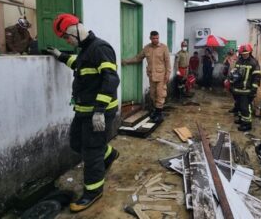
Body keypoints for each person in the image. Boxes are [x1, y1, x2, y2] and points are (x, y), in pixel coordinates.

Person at [47, 13, 120, 212]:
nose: (67, 41)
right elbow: (78, 65)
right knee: (76, 142)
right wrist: (59, 55)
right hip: (83, 111)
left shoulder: (101, 48)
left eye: (66, 37)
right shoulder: (86, 50)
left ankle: (93, 192)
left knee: (91, 152)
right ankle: (108, 153)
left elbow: (111, 80)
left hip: (98, 112)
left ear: (74, 30)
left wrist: (99, 111)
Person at [121, 31, 171, 123]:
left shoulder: (164, 48)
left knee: (160, 94)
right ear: (150, 38)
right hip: (151, 76)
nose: (155, 40)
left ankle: (159, 115)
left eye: (157, 38)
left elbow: (168, 62)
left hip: (161, 76)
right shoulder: (147, 48)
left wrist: (168, 74)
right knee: (153, 94)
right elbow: (138, 58)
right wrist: (126, 61)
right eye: (154, 38)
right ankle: (155, 112)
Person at [229, 44, 261, 131]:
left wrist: (254, 89)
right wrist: (231, 83)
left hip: (247, 90)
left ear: (250, 53)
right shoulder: (239, 61)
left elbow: (257, 77)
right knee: (239, 106)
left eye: (246, 53)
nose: (244, 55)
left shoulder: (253, 63)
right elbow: (235, 73)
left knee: (245, 107)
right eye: (242, 54)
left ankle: (247, 124)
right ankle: (241, 119)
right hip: (238, 89)